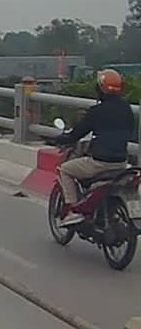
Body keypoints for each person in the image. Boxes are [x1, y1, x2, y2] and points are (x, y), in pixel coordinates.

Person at [52, 69, 133, 227]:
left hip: (100, 163)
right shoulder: (127, 109)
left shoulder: (97, 111)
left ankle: (71, 211)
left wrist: (61, 138)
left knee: (64, 169)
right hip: (122, 163)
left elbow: (77, 134)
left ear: (100, 89)